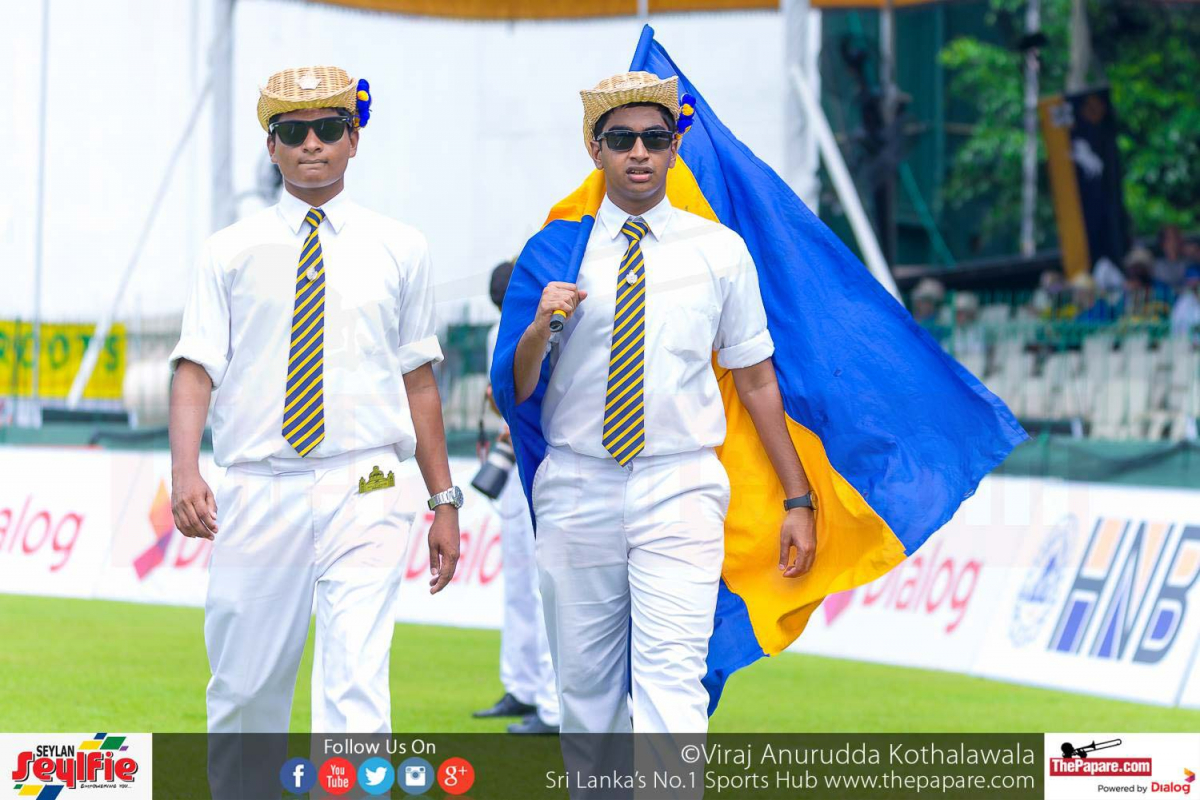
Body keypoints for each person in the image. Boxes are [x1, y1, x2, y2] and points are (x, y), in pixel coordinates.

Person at [168, 66, 462, 764]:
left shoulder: (401, 246)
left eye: (328, 128)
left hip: (368, 484)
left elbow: (418, 379)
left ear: (353, 140)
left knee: (356, 684)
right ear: (271, 145)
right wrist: (184, 471)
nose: (312, 144)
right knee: (244, 689)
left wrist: (443, 499)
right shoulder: (227, 251)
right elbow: (194, 368)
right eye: (293, 131)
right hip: (257, 485)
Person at [507, 71, 816, 734]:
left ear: (676, 147)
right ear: (596, 150)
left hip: (681, 483)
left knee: (672, 680)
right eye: (621, 139)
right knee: (584, 693)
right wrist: (538, 329)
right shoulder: (556, 250)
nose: (639, 152)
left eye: (655, 136)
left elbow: (756, 380)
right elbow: (518, 387)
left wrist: (798, 498)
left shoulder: (719, 250)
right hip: (577, 483)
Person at [474, 260, 561, 734]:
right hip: (515, 463)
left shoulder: (548, 325)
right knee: (519, 586)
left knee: (546, 585)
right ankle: (522, 686)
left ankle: (550, 702)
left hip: (547, 459)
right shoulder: (498, 332)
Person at [1153, 224, 1189, 290]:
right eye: (1170, 238)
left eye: (1176, 238)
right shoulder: (1157, 266)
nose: (1174, 242)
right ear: (1162, 243)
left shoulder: (1190, 262)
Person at [1170, 267, 1200, 342]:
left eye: (1196, 281)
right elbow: (1175, 324)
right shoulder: (1183, 301)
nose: (1194, 284)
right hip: (1186, 341)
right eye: (1191, 282)